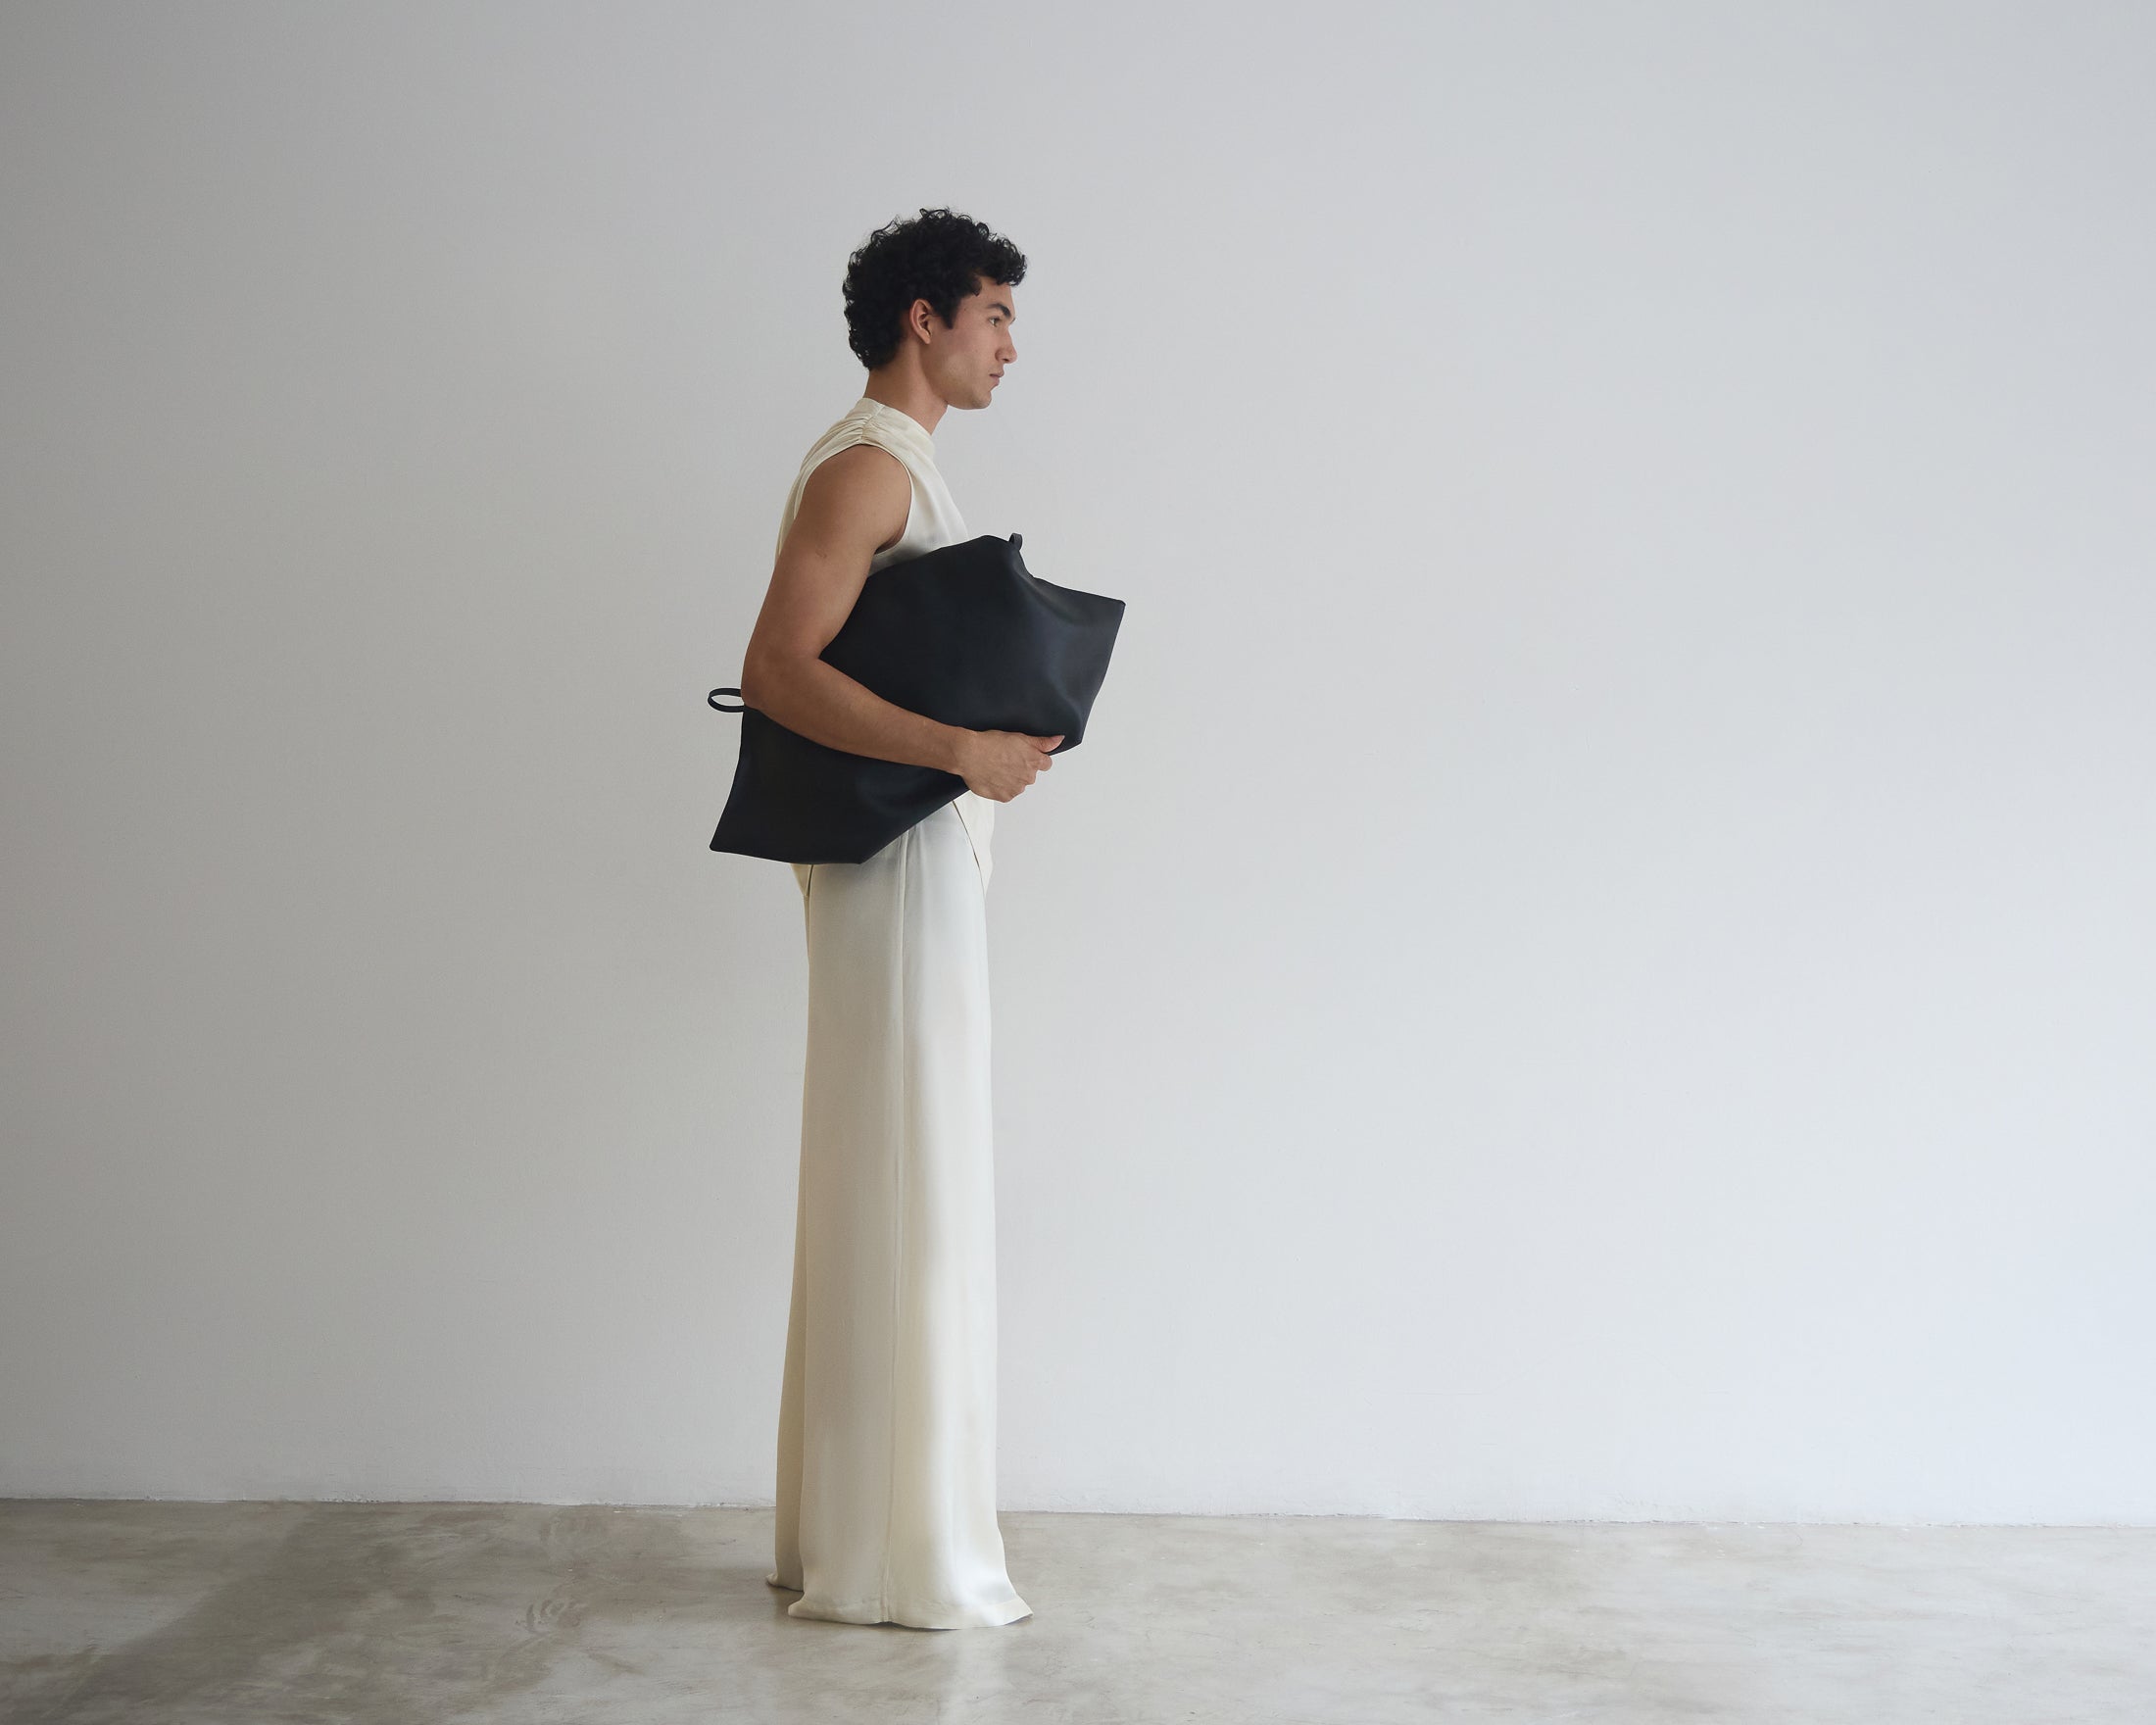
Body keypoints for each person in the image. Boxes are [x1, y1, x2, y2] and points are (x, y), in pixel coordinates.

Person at [735, 208, 1054, 1629]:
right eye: (995, 316)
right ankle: (899, 1555)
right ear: (926, 320)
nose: (1010, 347)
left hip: (914, 858)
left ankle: (859, 1535)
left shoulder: (894, 462)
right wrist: (962, 750)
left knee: (898, 1166)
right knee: (911, 1168)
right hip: (897, 864)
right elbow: (775, 669)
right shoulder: (868, 464)